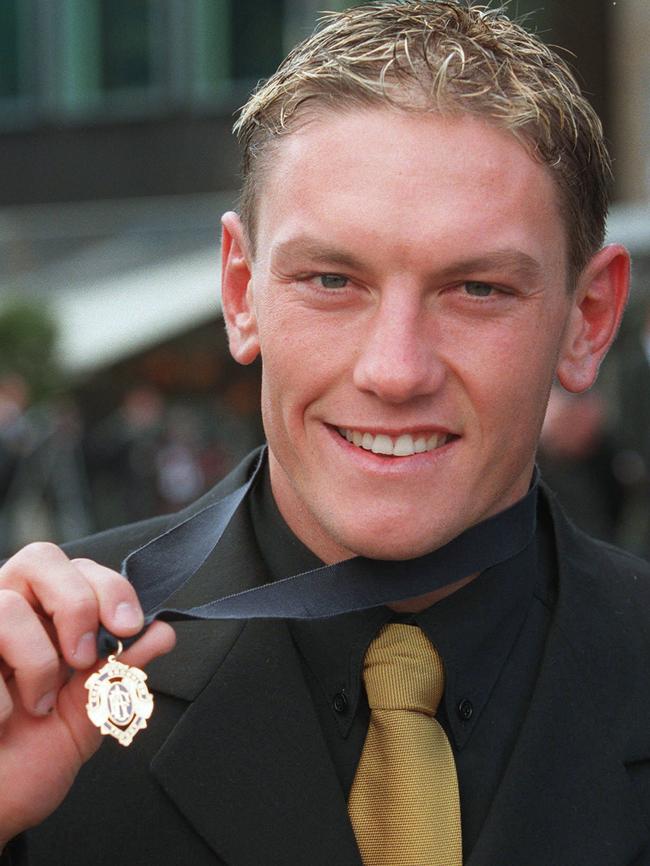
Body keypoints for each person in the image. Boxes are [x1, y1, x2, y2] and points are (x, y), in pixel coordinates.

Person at [1, 2, 647, 864]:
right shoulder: (44, 681)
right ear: (241, 292)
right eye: (333, 279)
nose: (395, 369)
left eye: (478, 290)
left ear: (588, 319)